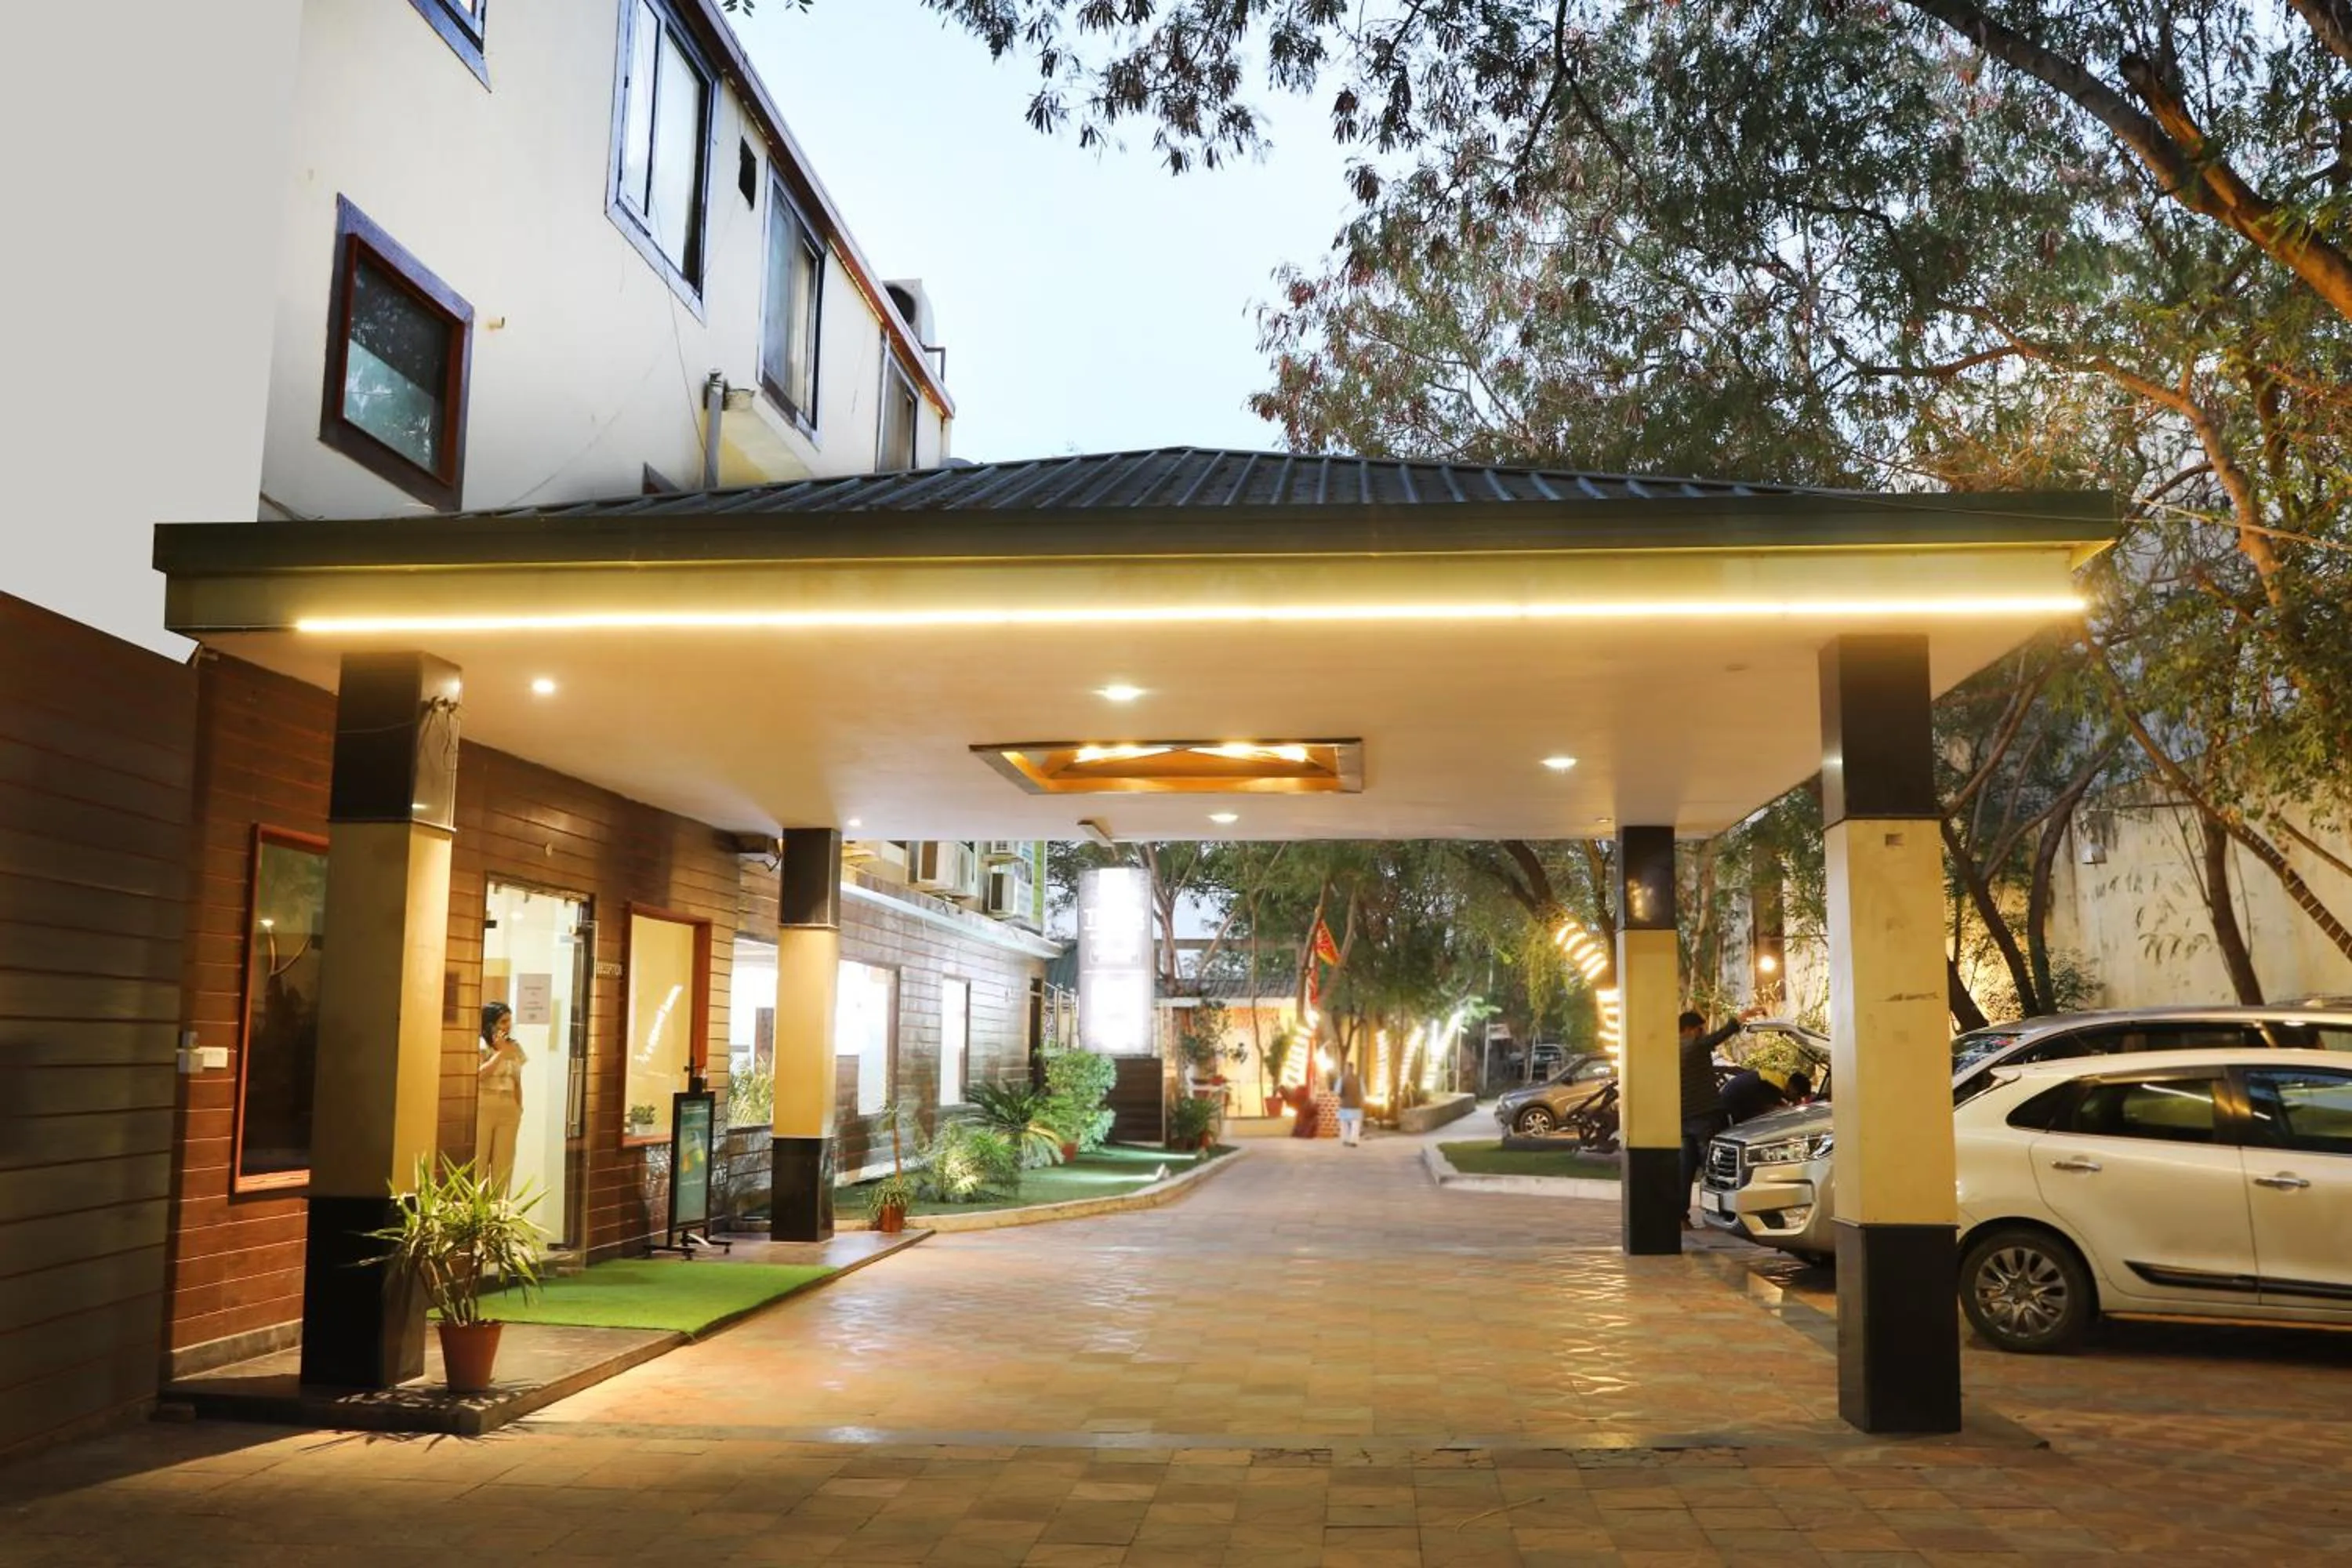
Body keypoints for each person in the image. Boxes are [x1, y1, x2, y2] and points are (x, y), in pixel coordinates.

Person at [1679, 1007, 1757, 1225]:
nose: (1702, 1033)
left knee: (1684, 1170)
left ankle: (1680, 1217)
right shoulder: (1693, 1046)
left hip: (1681, 1119)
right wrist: (1739, 1020)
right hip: (1703, 1116)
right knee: (1711, 1169)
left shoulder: (1669, 1049)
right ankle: (1713, 1216)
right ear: (1691, 1029)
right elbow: (1718, 1037)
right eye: (1700, 1029)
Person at [476, 1000, 524, 1192]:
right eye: (503, 1021)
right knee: (479, 1161)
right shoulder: (481, 1045)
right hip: (485, 1104)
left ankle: (499, 1212)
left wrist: (519, 1107)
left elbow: (518, 1081)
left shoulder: (515, 1047)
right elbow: (480, 1074)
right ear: (490, 1023)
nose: (508, 1026)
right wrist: (500, 1053)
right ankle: (476, 1212)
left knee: (503, 1164)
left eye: (509, 1021)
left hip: (509, 1107)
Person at [1335, 1060, 1366, 1146]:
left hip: (1345, 1104)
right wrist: (1362, 1102)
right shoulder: (1359, 1079)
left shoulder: (1342, 1079)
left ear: (1346, 1069)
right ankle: (1354, 1141)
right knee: (1355, 1124)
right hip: (1356, 1105)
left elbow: (1337, 1092)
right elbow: (1363, 1092)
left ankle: (1345, 1139)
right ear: (1353, 1069)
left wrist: (1341, 1096)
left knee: (1344, 1123)